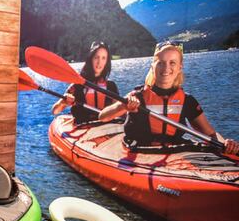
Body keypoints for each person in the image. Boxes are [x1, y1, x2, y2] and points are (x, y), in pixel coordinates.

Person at [99, 41, 239, 155]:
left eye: (172, 63)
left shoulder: (188, 101)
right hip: (140, 151)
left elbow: (210, 134)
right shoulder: (137, 96)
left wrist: (225, 144)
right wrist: (123, 106)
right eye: (160, 62)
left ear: (180, 67)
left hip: (174, 153)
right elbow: (103, 117)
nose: (166, 68)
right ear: (153, 66)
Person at [51, 41, 119, 124]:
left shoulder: (111, 86)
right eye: (96, 57)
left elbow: (118, 110)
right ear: (91, 59)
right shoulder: (77, 86)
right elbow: (55, 111)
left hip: (106, 127)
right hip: (82, 126)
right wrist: (63, 102)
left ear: (107, 62)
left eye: (103, 58)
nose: (99, 62)